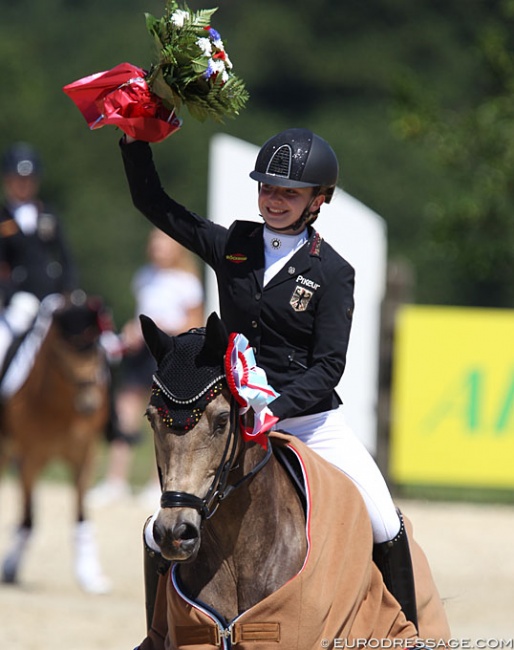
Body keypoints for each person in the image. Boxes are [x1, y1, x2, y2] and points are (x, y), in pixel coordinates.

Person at [119, 127, 418, 627]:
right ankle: (158, 632)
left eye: (289, 192)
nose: (274, 200)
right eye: (267, 188)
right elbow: (155, 203)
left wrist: (274, 407)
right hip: (232, 420)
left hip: (307, 422)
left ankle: (409, 632)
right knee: (160, 527)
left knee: (385, 521)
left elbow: (328, 368)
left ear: (318, 200)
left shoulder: (332, 272)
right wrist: (134, 140)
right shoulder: (234, 244)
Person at [88, 227, 204, 507]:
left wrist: (161, 328)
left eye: (163, 243)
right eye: (154, 243)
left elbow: (194, 324)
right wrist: (132, 330)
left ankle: (158, 483)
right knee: (125, 412)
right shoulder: (144, 276)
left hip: (168, 353)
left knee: (164, 418)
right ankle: (116, 480)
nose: (157, 248)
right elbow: (141, 314)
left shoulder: (187, 282)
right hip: (140, 353)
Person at [0, 142, 79, 384]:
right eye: (18, 178)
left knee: (89, 342)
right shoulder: (2, 217)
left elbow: (65, 256)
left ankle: (107, 416)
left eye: (29, 179)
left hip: (51, 297)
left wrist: (69, 290)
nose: (24, 185)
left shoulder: (48, 215)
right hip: (16, 301)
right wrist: (8, 294)